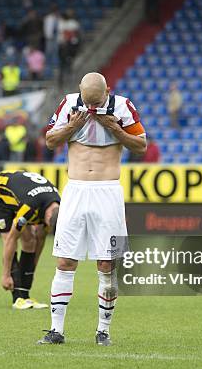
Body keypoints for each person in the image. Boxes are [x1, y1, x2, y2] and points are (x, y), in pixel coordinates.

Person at [39, 72, 146, 346]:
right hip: (75, 190)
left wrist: (117, 130)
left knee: (108, 265)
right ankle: (56, 330)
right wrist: (71, 127)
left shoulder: (123, 106)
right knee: (64, 261)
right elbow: (50, 141)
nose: (92, 109)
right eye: (88, 103)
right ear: (80, 92)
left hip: (108, 191)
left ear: (108, 91)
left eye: (97, 103)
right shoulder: (69, 104)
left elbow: (141, 145)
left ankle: (103, 331)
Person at [0, 170, 60, 309]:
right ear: (48, 215)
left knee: (31, 241)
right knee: (10, 237)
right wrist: (5, 275)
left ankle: (25, 296)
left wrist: (31, 268)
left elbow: (41, 237)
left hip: (20, 197)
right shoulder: (29, 208)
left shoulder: (59, 206)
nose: (47, 227)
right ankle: (17, 298)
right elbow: (12, 240)